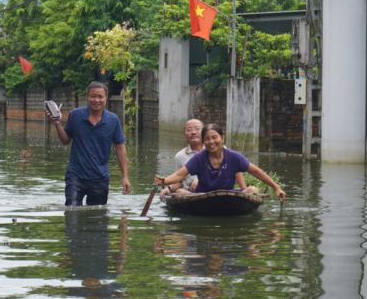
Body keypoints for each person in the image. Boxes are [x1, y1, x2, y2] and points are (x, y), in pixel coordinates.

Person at [47, 81, 131, 206]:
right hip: (75, 176)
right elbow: (65, 141)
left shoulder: (113, 120)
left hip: (100, 178)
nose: (96, 100)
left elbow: (120, 148)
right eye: (93, 96)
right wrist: (58, 124)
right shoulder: (76, 115)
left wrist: (125, 176)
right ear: (87, 96)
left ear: (106, 98)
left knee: (97, 219)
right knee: (72, 214)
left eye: (100, 96)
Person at [154, 123, 286, 202]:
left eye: (214, 138)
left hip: (228, 196)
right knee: (181, 193)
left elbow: (256, 172)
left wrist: (276, 187)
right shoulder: (200, 158)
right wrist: (163, 181)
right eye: (207, 139)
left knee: (253, 190)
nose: (211, 142)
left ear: (222, 138)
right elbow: (179, 176)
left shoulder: (233, 156)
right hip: (202, 197)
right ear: (203, 141)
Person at [159, 119, 246, 198]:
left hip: (219, 188)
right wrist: (169, 188)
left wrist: (243, 190)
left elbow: (235, 170)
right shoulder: (180, 156)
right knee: (188, 187)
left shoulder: (220, 149)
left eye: (197, 129)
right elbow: (179, 178)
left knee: (252, 190)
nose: (193, 132)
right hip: (192, 193)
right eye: (189, 130)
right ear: (184, 135)